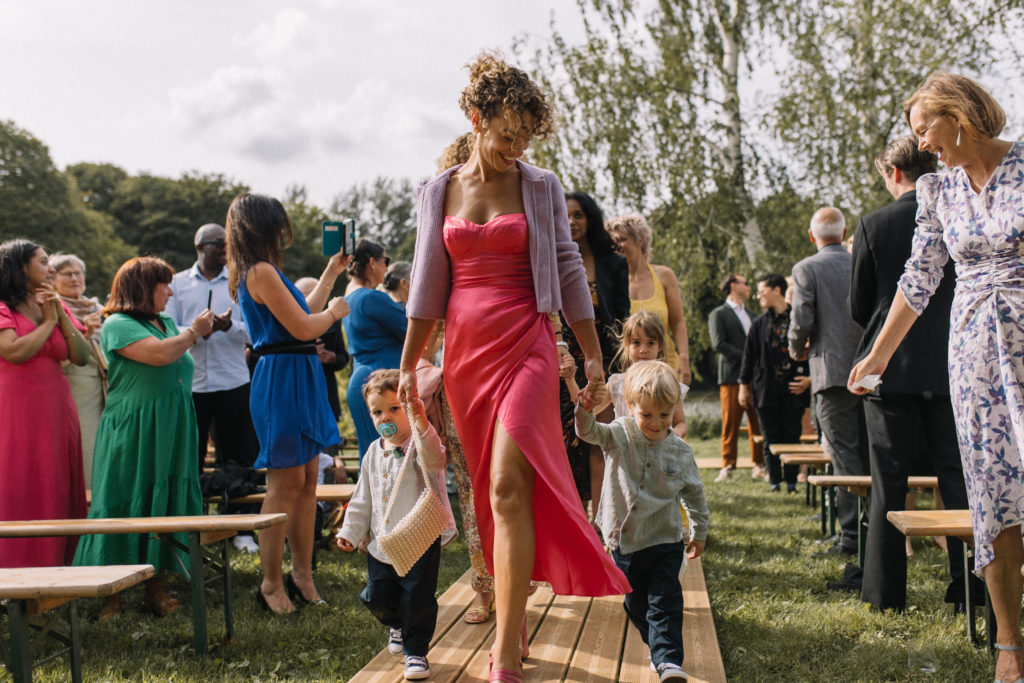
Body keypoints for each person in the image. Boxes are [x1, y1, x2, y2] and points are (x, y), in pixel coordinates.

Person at [398, 52, 630, 681]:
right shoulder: (436, 190)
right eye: (506, 135)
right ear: (477, 119)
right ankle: (511, 612)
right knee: (485, 492)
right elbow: (424, 286)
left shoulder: (541, 185)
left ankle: (503, 655)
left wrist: (589, 358)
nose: (515, 148)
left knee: (506, 485)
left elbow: (569, 270)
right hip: (465, 352)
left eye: (525, 137)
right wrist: (409, 365)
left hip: (527, 339)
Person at [849, 73, 1024, 683]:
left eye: (926, 129)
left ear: (960, 114)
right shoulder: (936, 191)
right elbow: (917, 282)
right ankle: (1009, 646)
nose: (923, 144)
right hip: (974, 354)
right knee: (992, 494)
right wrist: (876, 356)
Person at [849, 135, 971, 613]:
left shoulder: (873, 224)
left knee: (888, 485)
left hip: (889, 372)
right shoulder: (958, 214)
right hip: (951, 368)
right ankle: (971, 590)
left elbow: (860, 307)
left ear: (893, 173)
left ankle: (883, 597)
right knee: (959, 483)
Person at [226, 193, 350, 614]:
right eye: (279, 225)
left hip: (300, 373)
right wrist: (335, 314)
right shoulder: (259, 271)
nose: (284, 232)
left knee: (309, 481)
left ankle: (303, 574)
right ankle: (271, 582)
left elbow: (302, 310)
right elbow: (303, 327)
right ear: (264, 227)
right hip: (281, 376)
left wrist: (331, 273)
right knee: (285, 485)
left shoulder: (265, 271)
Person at [73, 256, 214, 619]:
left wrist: (187, 333)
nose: (170, 291)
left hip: (171, 424)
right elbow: (160, 354)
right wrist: (193, 333)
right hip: (134, 426)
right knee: (123, 494)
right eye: (162, 284)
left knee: (162, 500)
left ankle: (156, 586)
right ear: (141, 288)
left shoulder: (165, 321)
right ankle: (113, 594)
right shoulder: (117, 324)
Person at [574, 360, 708, 683]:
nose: (656, 423)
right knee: (636, 605)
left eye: (664, 415)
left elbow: (694, 494)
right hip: (626, 543)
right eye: (646, 415)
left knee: (666, 601)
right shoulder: (619, 434)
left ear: (674, 409)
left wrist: (699, 531)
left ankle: (668, 661)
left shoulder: (679, 451)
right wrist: (584, 409)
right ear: (631, 406)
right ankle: (656, 643)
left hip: (665, 542)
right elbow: (589, 431)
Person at [336, 369, 456, 681]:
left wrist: (420, 420)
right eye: (377, 412)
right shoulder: (374, 452)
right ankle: (397, 624)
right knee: (375, 595)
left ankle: (416, 652)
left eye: (394, 409)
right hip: (382, 544)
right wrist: (350, 532)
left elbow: (436, 459)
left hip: (420, 537)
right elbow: (363, 497)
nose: (384, 417)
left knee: (417, 597)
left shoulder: (419, 443)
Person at [0, 240, 90, 568]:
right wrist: (48, 324)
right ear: (21, 267)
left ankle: (60, 568)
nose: (51, 268)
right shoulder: (3, 307)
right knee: (21, 481)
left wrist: (60, 317)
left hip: (57, 406)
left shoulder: (55, 304)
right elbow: (14, 352)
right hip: (17, 406)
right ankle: (14, 569)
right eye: (43, 261)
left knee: (57, 482)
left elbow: (81, 356)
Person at [790, 207, 867, 566]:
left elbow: (802, 317)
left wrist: (796, 348)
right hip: (870, 373)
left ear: (812, 236)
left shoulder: (807, 268)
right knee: (868, 453)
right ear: (844, 231)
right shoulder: (860, 262)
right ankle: (871, 528)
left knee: (843, 457)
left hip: (831, 373)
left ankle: (851, 535)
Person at [555, 191, 630, 513]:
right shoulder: (550, 260)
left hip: (604, 355)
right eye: (566, 215)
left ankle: (602, 518)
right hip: (562, 356)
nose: (572, 222)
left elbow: (623, 315)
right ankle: (573, 517)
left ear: (591, 219)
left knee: (600, 437)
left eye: (579, 215)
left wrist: (623, 364)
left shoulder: (614, 262)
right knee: (566, 438)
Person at [168, 224, 259, 477]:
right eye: (219, 243)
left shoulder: (242, 283)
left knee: (238, 461)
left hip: (233, 382)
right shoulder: (175, 284)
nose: (225, 249)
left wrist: (229, 326)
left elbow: (257, 333)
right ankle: (191, 515)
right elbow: (166, 330)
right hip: (189, 384)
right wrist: (196, 331)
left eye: (228, 244)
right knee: (187, 462)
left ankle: (237, 515)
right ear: (199, 247)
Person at [738, 274, 811, 493]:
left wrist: (809, 380)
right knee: (770, 437)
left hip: (794, 388)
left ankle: (791, 481)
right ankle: (774, 481)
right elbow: (748, 356)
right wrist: (744, 385)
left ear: (776, 290)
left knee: (791, 435)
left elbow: (813, 351)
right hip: (766, 390)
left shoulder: (798, 319)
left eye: (762, 291)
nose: (759, 295)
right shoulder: (759, 324)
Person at [605, 214, 691, 385]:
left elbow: (678, 322)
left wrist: (684, 357)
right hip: (629, 370)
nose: (617, 246)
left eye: (622, 239)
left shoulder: (664, 276)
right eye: (613, 241)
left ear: (640, 240)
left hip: (666, 366)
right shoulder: (610, 281)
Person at [571, 310, 687, 437]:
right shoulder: (617, 383)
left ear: (659, 346)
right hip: (626, 452)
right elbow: (591, 411)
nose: (643, 350)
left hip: (658, 451)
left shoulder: (670, 383)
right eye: (636, 343)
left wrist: (675, 434)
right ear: (626, 345)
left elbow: (680, 423)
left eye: (650, 343)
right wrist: (574, 384)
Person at [345, 239, 407, 461]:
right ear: (372, 262)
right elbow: (411, 328)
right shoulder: (370, 297)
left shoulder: (349, 297)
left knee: (373, 459)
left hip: (363, 384)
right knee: (390, 458)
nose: (386, 267)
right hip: (382, 388)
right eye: (385, 261)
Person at [51, 253, 106, 490]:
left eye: (78, 273)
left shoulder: (99, 308)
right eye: (67, 274)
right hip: (71, 390)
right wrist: (84, 335)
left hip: (104, 392)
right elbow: (55, 354)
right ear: (52, 279)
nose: (75, 278)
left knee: (101, 454)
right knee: (84, 454)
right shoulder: (52, 308)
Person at [707, 274, 765, 481]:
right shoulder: (718, 314)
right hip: (732, 375)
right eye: (746, 283)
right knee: (730, 422)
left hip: (755, 377)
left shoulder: (753, 314)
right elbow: (719, 344)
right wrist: (748, 359)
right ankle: (727, 465)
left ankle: (759, 465)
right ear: (733, 285)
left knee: (757, 422)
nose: (749, 287)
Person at [296, 276, 349, 445]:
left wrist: (330, 357)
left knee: (328, 445)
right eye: (306, 295)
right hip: (299, 391)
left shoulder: (332, 321)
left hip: (326, 392)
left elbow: (343, 358)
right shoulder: (289, 321)